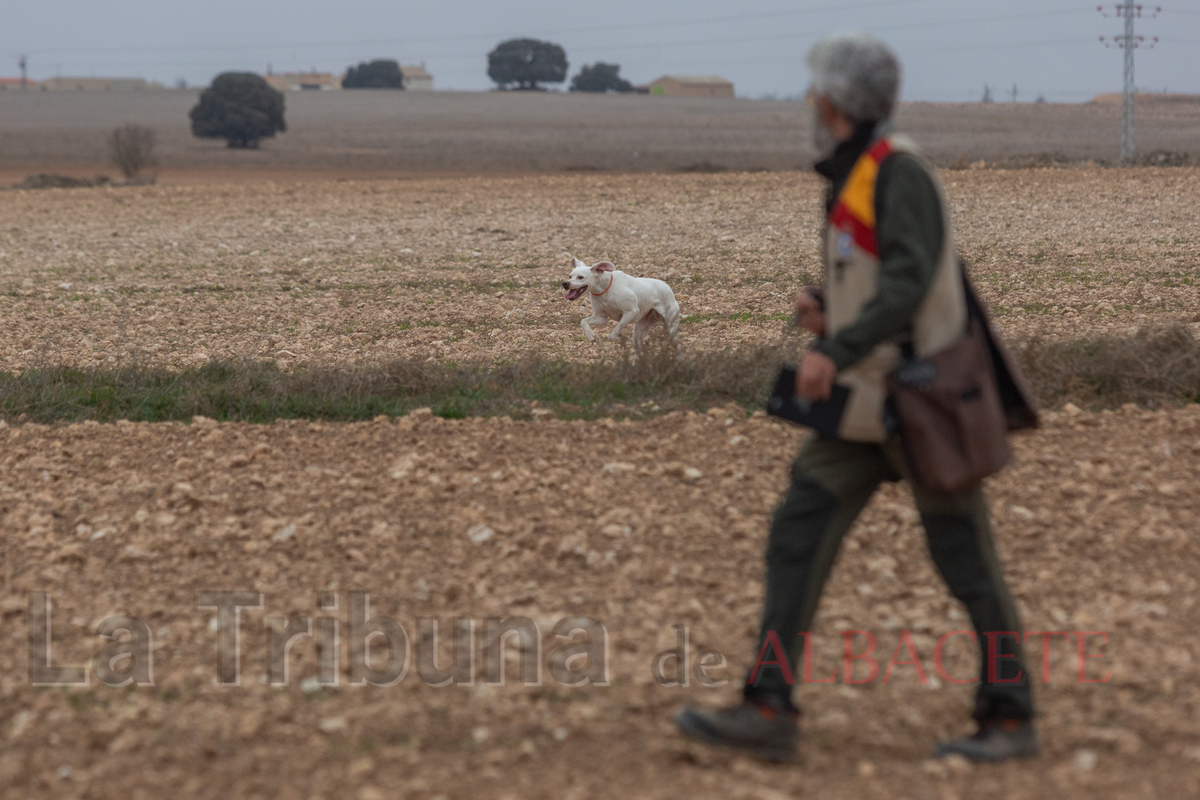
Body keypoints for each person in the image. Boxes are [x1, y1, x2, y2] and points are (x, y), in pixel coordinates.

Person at [675, 32, 1037, 763]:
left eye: (817, 90)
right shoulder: (860, 173)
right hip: (868, 405)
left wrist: (832, 350)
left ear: (837, 101)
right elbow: (882, 280)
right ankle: (767, 708)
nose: (811, 102)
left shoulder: (897, 172)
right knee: (798, 531)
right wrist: (831, 312)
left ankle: (1010, 717)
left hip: (921, 404)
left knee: (966, 560)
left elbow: (910, 282)